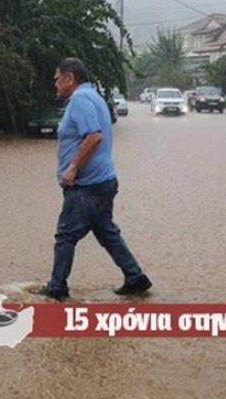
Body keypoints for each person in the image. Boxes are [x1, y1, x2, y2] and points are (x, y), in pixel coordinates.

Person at [37, 57, 151, 301]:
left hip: (87, 186)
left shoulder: (80, 100)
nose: (55, 84)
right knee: (106, 232)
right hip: (102, 183)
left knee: (65, 236)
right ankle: (135, 277)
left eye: (58, 79)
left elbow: (93, 137)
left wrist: (72, 168)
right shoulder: (94, 97)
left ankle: (56, 288)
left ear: (70, 78)